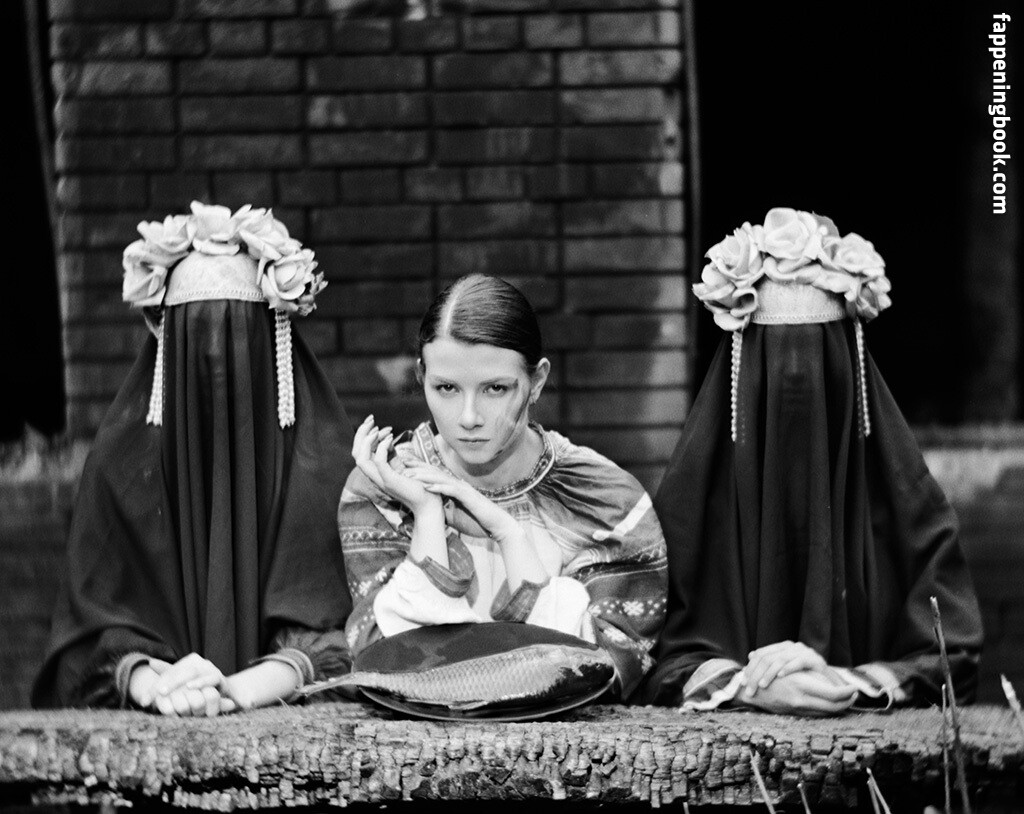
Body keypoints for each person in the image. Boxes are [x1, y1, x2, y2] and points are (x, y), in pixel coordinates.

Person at [640, 208, 983, 714]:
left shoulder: (909, 506)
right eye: (775, 366)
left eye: (820, 365)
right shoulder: (688, 508)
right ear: (740, 380)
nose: (798, 380)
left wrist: (845, 682)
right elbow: (644, 656)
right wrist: (748, 687)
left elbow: (953, 657)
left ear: (852, 374)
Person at [33, 202, 354, 715]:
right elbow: (82, 643)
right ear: (166, 349)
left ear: (276, 346)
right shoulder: (118, 470)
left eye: (240, 338)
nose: (218, 362)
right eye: (196, 340)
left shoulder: (325, 467)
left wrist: (238, 689)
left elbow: (356, 637)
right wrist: (153, 684)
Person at [337, 274, 668, 701]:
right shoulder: (384, 489)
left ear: (537, 381)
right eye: (446, 388)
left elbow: (603, 675)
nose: (469, 417)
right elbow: (385, 667)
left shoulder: (607, 502)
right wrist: (428, 516)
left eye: (495, 388)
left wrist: (507, 532)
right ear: (421, 376)